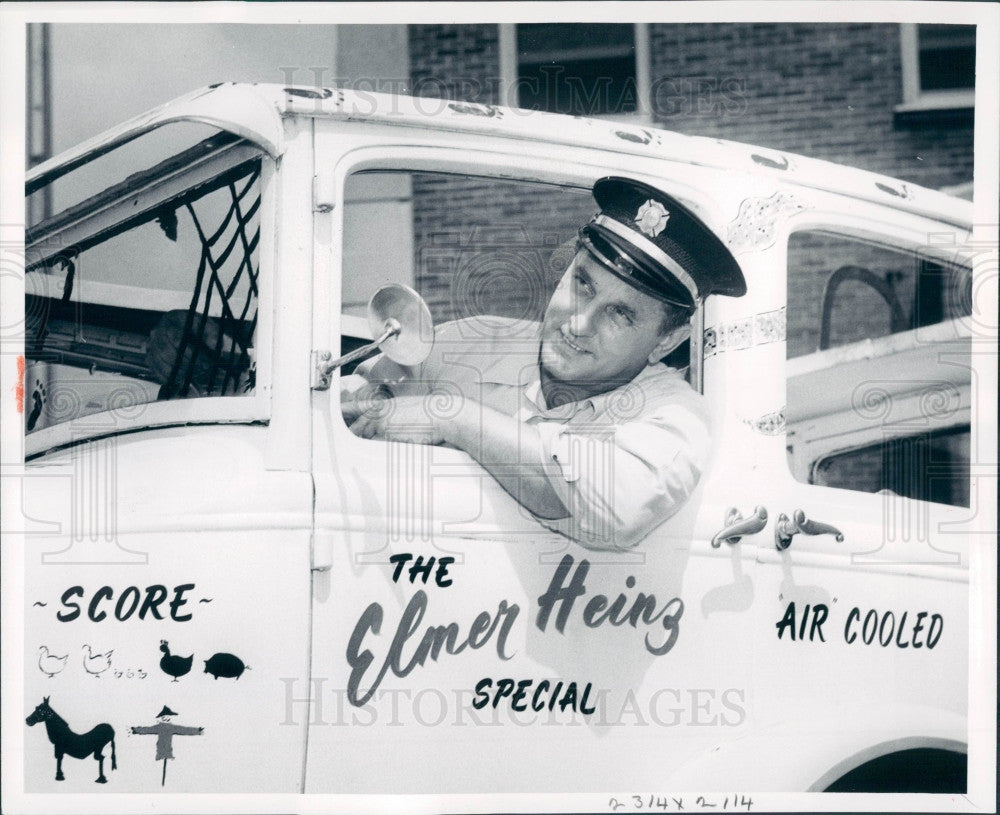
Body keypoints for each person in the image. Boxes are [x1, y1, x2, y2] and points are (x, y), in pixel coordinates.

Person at [342, 176, 746, 550]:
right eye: (582, 285)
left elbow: (616, 504)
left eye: (620, 314)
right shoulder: (476, 339)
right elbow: (347, 406)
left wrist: (450, 417)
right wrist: (374, 403)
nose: (579, 323)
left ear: (667, 341)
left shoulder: (675, 415)